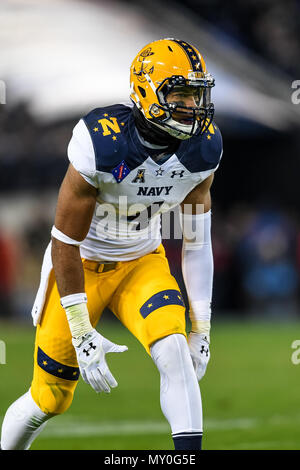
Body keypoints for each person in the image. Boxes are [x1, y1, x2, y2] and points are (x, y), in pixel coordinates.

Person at [0, 38, 222, 450]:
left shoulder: (202, 148)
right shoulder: (102, 141)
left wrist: (202, 326)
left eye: (197, 94)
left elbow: (196, 240)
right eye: (181, 93)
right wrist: (82, 330)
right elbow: (64, 241)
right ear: (148, 92)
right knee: (48, 399)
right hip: (80, 266)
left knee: (175, 349)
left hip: (142, 260)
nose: (193, 106)